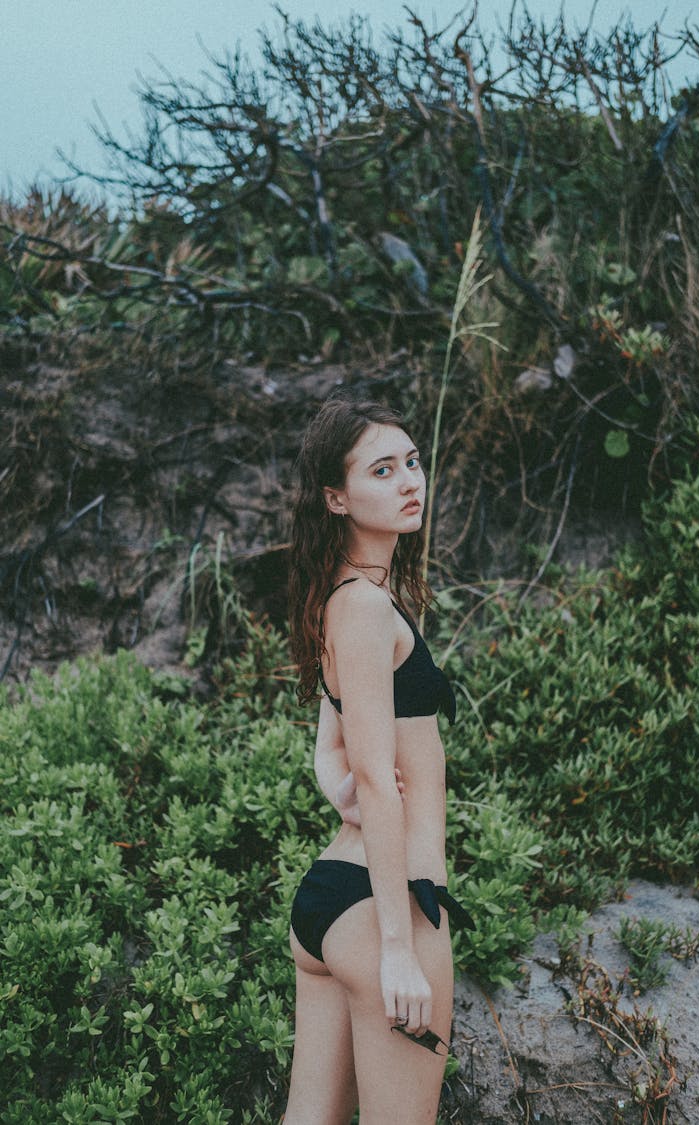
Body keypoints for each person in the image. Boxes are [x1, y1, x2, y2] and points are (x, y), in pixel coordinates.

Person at [284, 396, 474, 1125]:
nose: (409, 480)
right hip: (386, 910)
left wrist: (344, 792)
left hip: (334, 898)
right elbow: (373, 773)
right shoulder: (363, 609)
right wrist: (399, 948)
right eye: (383, 469)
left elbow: (329, 748)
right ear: (336, 497)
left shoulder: (350, 596)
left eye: (413, 462)